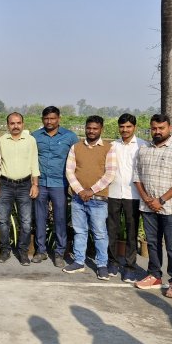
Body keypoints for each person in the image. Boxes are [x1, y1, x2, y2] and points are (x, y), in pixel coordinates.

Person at [133, 114, 172, 299]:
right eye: (154, 128)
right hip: (148, 207)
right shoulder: (144, 150)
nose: (157, 132)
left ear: (170, 128)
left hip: (171, 208)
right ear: (150, 129)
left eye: (161, 128)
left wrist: (161, 200)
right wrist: (147, 199)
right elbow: (137, 176)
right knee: (152, 243)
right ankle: (154, 275)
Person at [62, 115, 117, 280]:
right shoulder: (76, 147)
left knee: (100, 233)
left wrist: (91, 191)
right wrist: (80, 191)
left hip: (99, 200)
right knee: (80, 231)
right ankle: (79, 261)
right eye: (89, 128)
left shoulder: (109, 148)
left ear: (101, 129)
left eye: (95, 128)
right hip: (79, 199)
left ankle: (101, 265)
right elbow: (70, 171)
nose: (91, 131)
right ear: (85, 128)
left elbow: (110, 174)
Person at [31, 106, 79, 267]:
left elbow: (77, 160)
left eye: (52, 118)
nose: (49, 121)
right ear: (42, 119)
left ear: (59, 118)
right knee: (40, 218)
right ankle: (41, 251)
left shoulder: (70, 137)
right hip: (40, 184)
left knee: (60, 218)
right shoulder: (35, 136)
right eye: (46, 119)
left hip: (60, 184)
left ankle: (59, 253)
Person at [107, 113, 149, 283]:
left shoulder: (142, 146)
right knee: (112, 229)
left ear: (135, 128)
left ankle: (130, 267)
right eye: (122, 127)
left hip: (134, 195)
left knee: (131, 232)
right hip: (114, 193)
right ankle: (113, 262)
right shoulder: (112, 146)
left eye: (128, 127)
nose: (125, 130)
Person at [0, 112, 40, 265]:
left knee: (26, 222)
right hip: (5, 185)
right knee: (3, 221)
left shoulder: (30, 141)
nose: (15, 126)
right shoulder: (1, 140)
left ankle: (22, 252)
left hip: (25, 185)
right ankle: (5, 250)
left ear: (23, 123)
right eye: (12, 123)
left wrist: (35, 184)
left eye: (18, 123)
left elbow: (34, 162)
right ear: (7, 125)